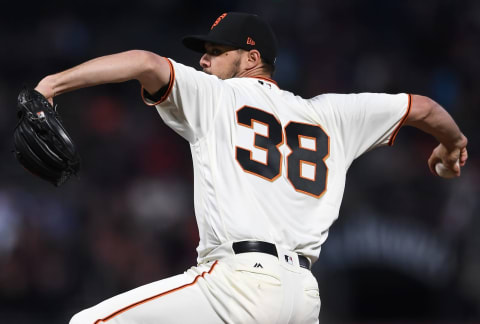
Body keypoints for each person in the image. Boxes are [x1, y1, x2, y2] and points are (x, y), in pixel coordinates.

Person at [34, 12, 468, 324]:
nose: (204, 61)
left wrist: (51, 84)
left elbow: (146, 63)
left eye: (215, 51)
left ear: (250, 57)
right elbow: (425, 108)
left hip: (238, 286)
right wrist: (454, 145)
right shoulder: (332, 115)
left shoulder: (216, 96)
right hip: (303, 299)